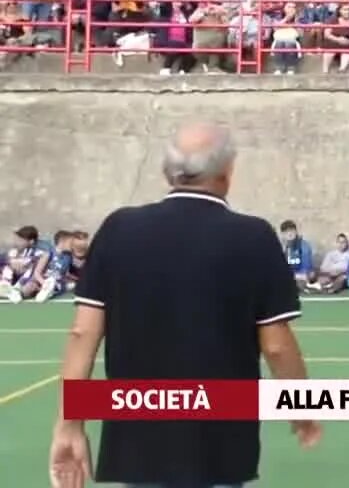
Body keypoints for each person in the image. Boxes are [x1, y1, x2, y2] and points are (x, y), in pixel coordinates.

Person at [48, 122, 320, 488]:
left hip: (138, 437)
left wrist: (69, 424)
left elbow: (84, 332)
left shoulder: (118, 229)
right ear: (227, 173)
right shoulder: (253, 236)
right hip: (219, 441)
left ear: (167, 171)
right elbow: (275, 344)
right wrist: (300, 408)